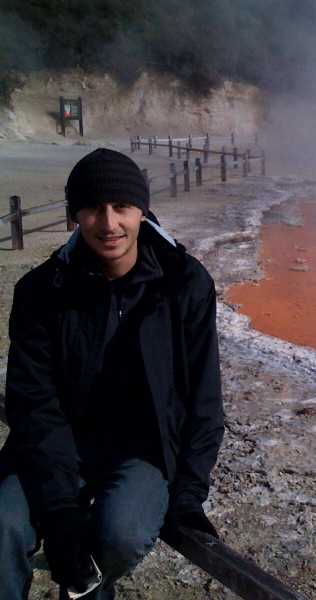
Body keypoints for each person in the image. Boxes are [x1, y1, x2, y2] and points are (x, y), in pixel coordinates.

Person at [0, 148, 225, 599]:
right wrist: (60, 507)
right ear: (74, 215)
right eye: (93, 208)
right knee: (1, 525)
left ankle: (86, 588)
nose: (108, 223)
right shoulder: (41, 291)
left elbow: (203, 397)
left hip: (143, 450)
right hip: (55, 444)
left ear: (142, 210)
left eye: (121, 206)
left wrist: (188, 495)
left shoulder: (183, 283)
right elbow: (33, 401)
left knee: (120, 533)